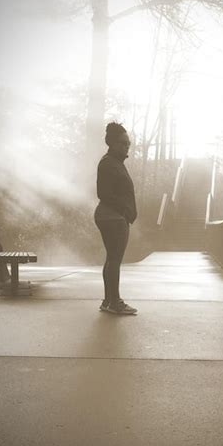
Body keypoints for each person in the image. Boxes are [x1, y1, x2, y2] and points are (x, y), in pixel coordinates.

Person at [94, 122, 138, 315]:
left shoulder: (115, 162)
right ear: (111, 143)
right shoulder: (108, 163)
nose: (126, 146)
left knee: (111, 259)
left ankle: (108, 301)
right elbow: (103, 193)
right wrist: (126, 211)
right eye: (122, 143)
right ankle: (115, 302)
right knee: (115, 259)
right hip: (113, 218)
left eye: (128, 143)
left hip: (112, 217)